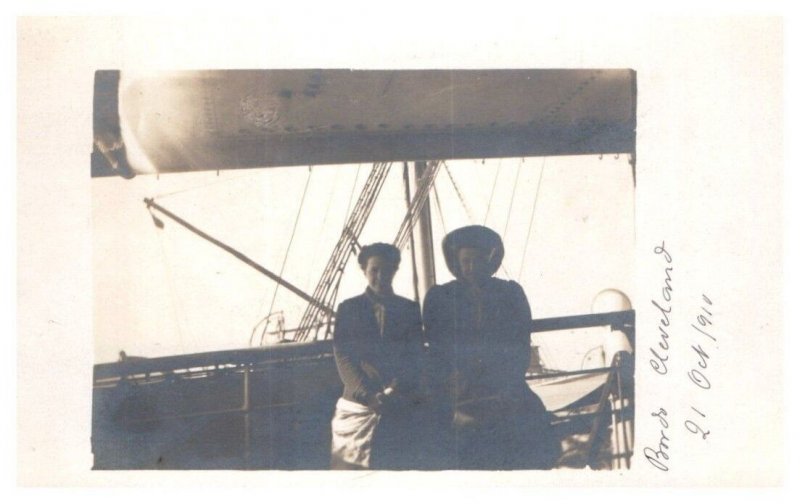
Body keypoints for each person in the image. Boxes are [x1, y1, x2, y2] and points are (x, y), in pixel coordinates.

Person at [423, 225, 560, 469]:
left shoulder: (510, 293)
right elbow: (438, 348)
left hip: (503, 383)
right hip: (460, 385)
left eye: (477, 260)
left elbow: (520, 345)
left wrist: (506, 382)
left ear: (490, 261)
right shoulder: (441, 297)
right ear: (457, 263)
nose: (471, 267)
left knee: (530, 429)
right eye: (466, 261)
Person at [330, 243, 424, 470]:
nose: (381, 276)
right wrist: (368, 395)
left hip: (398, 400)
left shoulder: (409, 309)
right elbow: (343, 356)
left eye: (388, 270)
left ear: (395, 270)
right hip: (358, 405)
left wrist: (393, 390)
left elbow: (415, 356)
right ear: (364, 270)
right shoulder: (349, 309)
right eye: (375, 270)